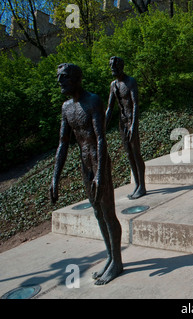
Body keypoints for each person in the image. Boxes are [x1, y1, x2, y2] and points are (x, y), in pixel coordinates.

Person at [50, 63, 123, 285]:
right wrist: (55, 177)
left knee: (108, 212)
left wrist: (101, 173)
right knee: (97, 212)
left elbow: (101, 138)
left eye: (63, 77)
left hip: (99, 162)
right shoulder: (66, 108)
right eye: (58, 77)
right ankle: (110, 256)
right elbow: (63, 143)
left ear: (76, 78)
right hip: (85, 165)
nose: (59, 81)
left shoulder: (93, 101)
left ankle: (117, 262)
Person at [106, 56, 146, 199]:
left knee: (136, 153)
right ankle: (137, 183)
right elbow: (110, 108)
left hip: (131, 120)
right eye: (110, 65)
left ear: (121, 67)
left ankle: (142, 185)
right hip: (122, 122)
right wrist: (102, 127)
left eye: (114, 66)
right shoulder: (113, 85)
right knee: (129, 154)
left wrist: (134, 125)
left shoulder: (130, 82)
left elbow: (135, 104)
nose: (112, 68)